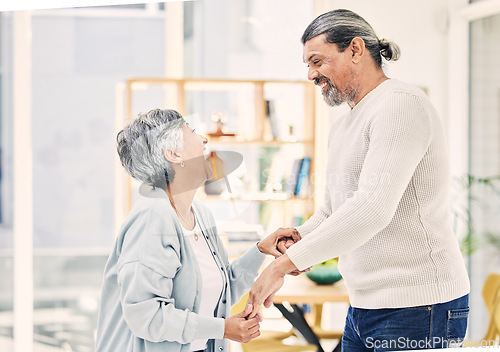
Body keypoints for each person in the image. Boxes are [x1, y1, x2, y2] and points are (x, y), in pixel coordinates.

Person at [247, 9, 470, 351]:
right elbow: (332, 211)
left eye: (317, 61)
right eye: (307, 64)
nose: (311, 74)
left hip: (419, 305)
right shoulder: (345, 124)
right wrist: (296, 238)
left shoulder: (400, 106)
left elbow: (373, 208)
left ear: (355, 49)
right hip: (366, 304)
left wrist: (282, 266)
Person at [95, 108, 299, 352]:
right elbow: (146, 316)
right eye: (191, 131)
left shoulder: (200, 214)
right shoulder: (152, 217)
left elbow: (220, 293)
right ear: (173, 154)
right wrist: (223, 329)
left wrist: (260, 251)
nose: (203, 139)